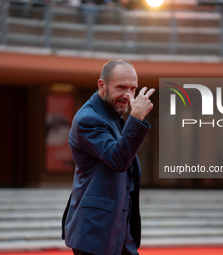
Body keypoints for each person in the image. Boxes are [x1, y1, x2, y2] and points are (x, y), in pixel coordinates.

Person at [61, 59, 155, 255]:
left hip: (118, 230)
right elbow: (118, 160)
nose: (128, 95)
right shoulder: (89, 119)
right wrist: (136, 118)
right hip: (95, 233)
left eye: (133, 88)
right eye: (121, 87)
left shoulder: (111, 115)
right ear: (102, 86)